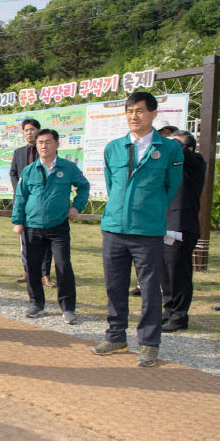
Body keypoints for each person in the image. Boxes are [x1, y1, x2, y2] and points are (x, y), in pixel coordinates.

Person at [91, 92, 183, 368]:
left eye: (140, 111)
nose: (134, 116)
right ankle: (116, 335)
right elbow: (112, 185)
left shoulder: (169, 149)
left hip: (148, 230)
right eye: (130, 111)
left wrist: (149, 210)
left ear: (154, 114)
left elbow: (172, 186)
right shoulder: (113, 147)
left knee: (150, 288)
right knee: (114, 285)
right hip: (114, 228)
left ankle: (149, 343)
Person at [11, 128, 90, 324]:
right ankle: (36, 303)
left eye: (48, 142)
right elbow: (20, 197)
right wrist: (18, 221)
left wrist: (76, 207)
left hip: (58, 226)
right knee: (33, 266)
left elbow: (84, 187)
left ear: (57, 144)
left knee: (63, 265)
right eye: (40, 143)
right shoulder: (29, 170)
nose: (44, 146)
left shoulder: (68, 168)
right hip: (32, 226)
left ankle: (68, 307)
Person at [161, 131, 206, 332]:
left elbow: (182, 152)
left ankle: (179, 316)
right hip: (163, 224)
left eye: (176, 145)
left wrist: (166, 141)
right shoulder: (172, 168)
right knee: (165, 272)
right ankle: (169, 310)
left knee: (178, 273)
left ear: (188, 148)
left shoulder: (195, 161)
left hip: (182, 226)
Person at [10, 119, 54, 286]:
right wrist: (20, 190)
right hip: (23, 201)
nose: (29, 132)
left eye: (33, 129)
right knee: (24, 240)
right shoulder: (18, 152)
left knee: (46, 239)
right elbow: (13, 173)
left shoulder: (44, 151)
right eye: (26, 130)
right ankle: (27, 271)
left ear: (38, 131)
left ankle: (45, 274)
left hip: (42, 201)